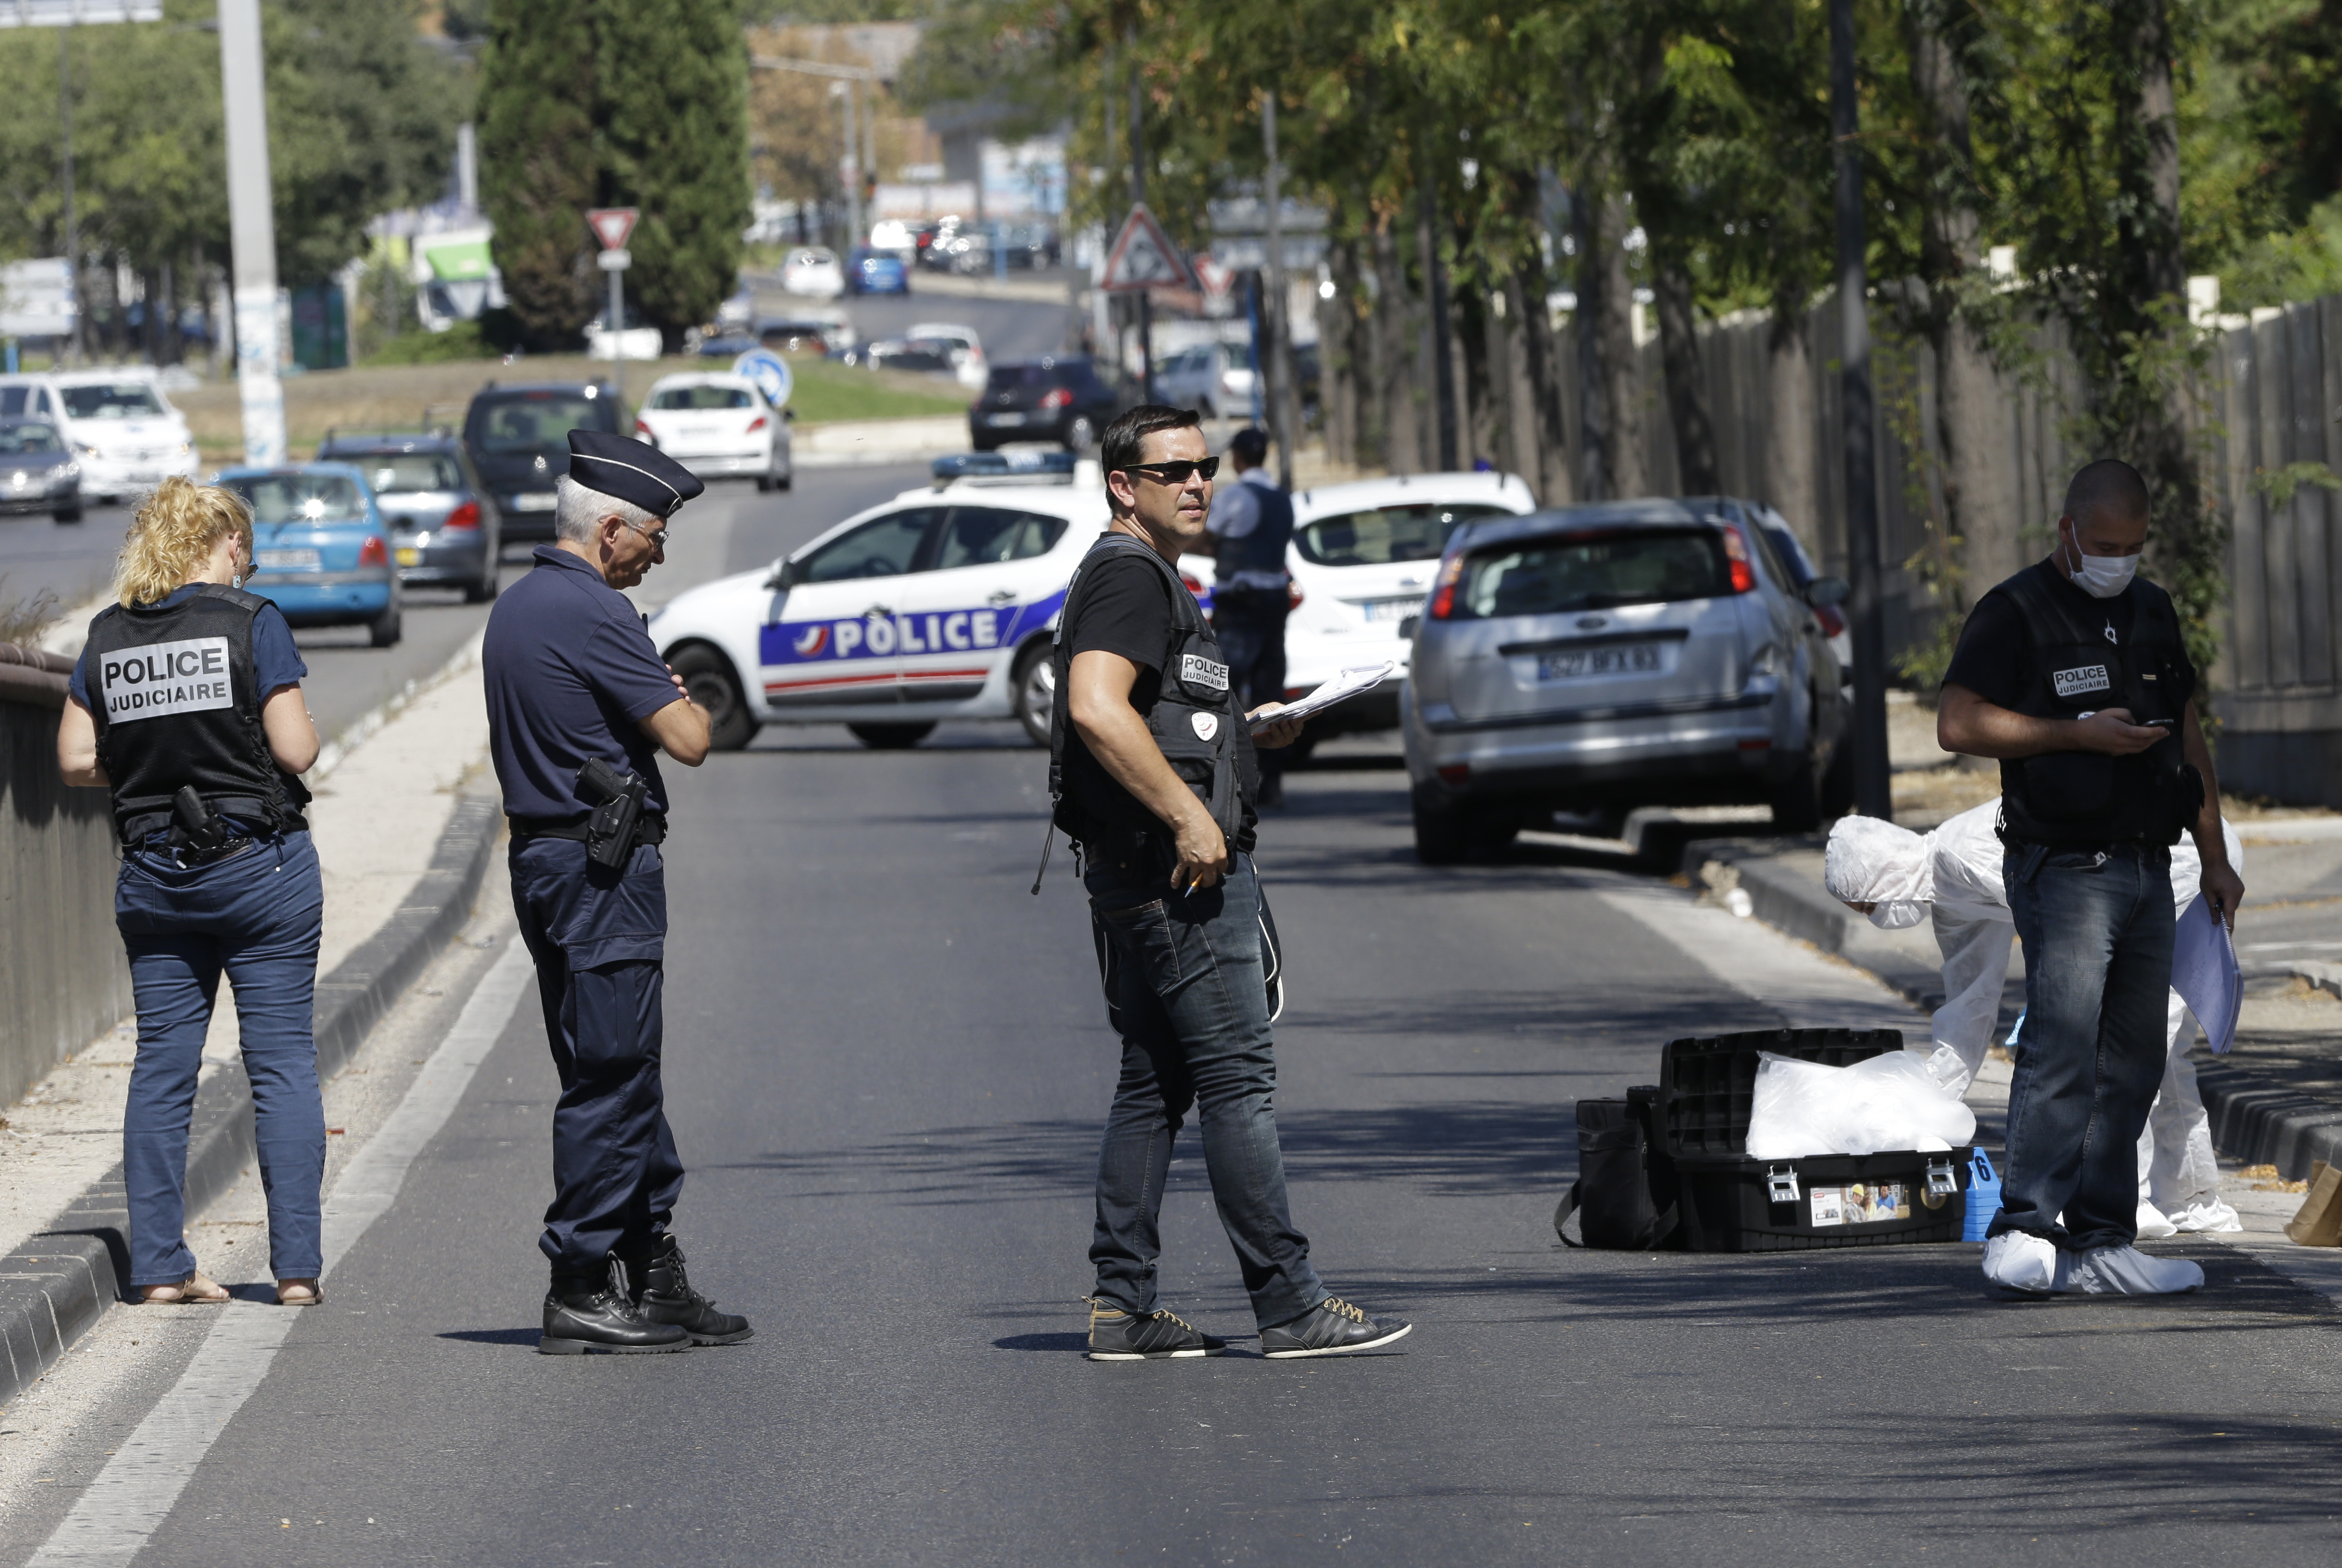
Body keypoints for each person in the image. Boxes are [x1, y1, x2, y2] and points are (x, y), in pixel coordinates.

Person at [1044, 403, 1410, 1360]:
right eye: (1174, 472)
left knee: (1152, 1087)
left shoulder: (1137, 573)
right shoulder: (1130, 575)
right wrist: (1190, 816)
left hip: (1137, 873)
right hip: (1176, 877)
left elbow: (1157, 714)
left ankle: (1122, 1309)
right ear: (1124, 486)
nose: (1199, 483)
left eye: (1204, 466)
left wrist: (1250, 732)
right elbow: (1094, 706)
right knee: (1237, 1081)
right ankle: (1289, 1303)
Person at [1937, 457, 2246, 1297]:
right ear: (2066, 532)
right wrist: (2072, 735)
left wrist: (2211, 855)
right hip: (2063, 865)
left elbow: (2186, 732)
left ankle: (2101, 1240)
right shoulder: (2015, 610)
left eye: (2133, 544)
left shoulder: (2149, 608)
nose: (2118, 558)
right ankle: (2023, 1226)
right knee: (2062, 1044)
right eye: (2103, 543)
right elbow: (1956, 722)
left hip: (2151, 865)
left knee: (2135, 1059)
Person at [482, 430, 751, 1356]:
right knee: (612, 1073)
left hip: (549, 865)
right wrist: (673, 697)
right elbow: (689, 737)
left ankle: (651, 1264)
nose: (659, 551)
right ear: (607, 531)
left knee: (613, 1064)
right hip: (603, 872)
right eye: (652, 535)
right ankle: (581, 1281)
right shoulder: (595, 614)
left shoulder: (519, 606)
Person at [54, 477, 327, 1308]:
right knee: (280, 1064)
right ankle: (294, 1272)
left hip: (155, 878)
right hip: (259, 873)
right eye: (245, 546)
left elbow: (72, 760)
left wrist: (148, 764)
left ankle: (163, 1269)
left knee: (162, 1071)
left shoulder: (108, 636)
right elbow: (296, 750)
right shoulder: (253, 622)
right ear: (229, 544)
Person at [1824, 800, 2246, 1239]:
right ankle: (2191, 1200)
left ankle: (2125, 1200)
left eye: (1868, 905)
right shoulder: (1948, 896)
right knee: (2163, 1054)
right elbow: (1970, 1006)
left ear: (1884, 874)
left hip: (2180, 860)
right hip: (2141, 868)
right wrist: (1922, 1108)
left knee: (2131, 1042)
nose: (1875, 917)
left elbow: (2064, 906)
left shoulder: (1963, 855)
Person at [1202, 426, 1296, 806]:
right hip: (1275, 601)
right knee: (1270, 689)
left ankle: (1226, 777)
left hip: (1242, 603)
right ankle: (1272, 779)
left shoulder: (1238, 497)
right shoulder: (1283, 499)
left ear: (1239, 459)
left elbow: (1208, 534)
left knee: (1223, 688)